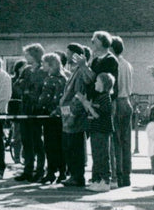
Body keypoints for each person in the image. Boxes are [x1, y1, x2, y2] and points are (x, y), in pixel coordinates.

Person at [58, 44, 94, 188]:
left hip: (75, 115)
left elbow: (79, 94)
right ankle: (73, 175)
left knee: (75, 148)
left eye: (69, 53)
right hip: (68, 114)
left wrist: (72, 114)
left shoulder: (80, 72)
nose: (66, 56)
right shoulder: (74, 71)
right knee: (68, 146)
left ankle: (77, 176)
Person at [76, 71, 114, 192]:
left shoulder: (105, 98)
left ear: (104, 84)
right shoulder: (99, 97)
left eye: (97, 81)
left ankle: (105, 180)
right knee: (96, 155)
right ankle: (98, 180)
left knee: (102, 155)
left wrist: (85, 102)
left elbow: (97, 115)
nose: (95, 83)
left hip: (102, 130)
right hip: (95, 130)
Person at [14, 43, 46, 182]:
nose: (26, 56)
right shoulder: (26, 70)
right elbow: (17, 84)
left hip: (36, 109)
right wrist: (25, 90)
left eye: (28, 53)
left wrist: (28, 90)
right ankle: (27, 169)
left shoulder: (42, 70)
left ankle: (39, 170)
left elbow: (38, 88)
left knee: (37, 141)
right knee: (26, 140)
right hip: (25, 108)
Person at [37, 52, 67, 184]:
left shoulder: (56, 79)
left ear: (51, 65)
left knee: (54, 145)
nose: (42, 65)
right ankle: (56, 171)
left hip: (53, 115)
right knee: (53, 145)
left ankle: (57, 171)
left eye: (44, 63)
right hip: (52, 114)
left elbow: (53, 98)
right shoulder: (57, 78)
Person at [109, 36, 134, 188]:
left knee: (116, 142)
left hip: (117, 102)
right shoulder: (128, 65)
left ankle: (117, 175)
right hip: (127, 101)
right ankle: (126, 176)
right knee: (126, 142)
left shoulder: (114, 64)